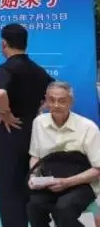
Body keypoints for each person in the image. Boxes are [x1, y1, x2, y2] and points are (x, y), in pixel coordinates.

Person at [0, 23, 54, 227]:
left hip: (7, 134)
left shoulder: (7, 67)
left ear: (4, 43)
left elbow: (0, 93)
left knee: (8, 187)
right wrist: (38, 109)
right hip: (29, 133)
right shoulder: (38, 70)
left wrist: (6, 112)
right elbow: (53, 92)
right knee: (26, 182)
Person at [26, 81, 100, 227]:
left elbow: (97, 169)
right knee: (33, 206)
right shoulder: (39, 123)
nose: (56, 105)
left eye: (62, 101)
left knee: (64, 209)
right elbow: (35, 156)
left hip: (82, 183)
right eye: (51, 100)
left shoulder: (88, 127)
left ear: (71, 101)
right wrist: (34, 176)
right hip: (51, 180)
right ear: (46, 100)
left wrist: (66, 182)